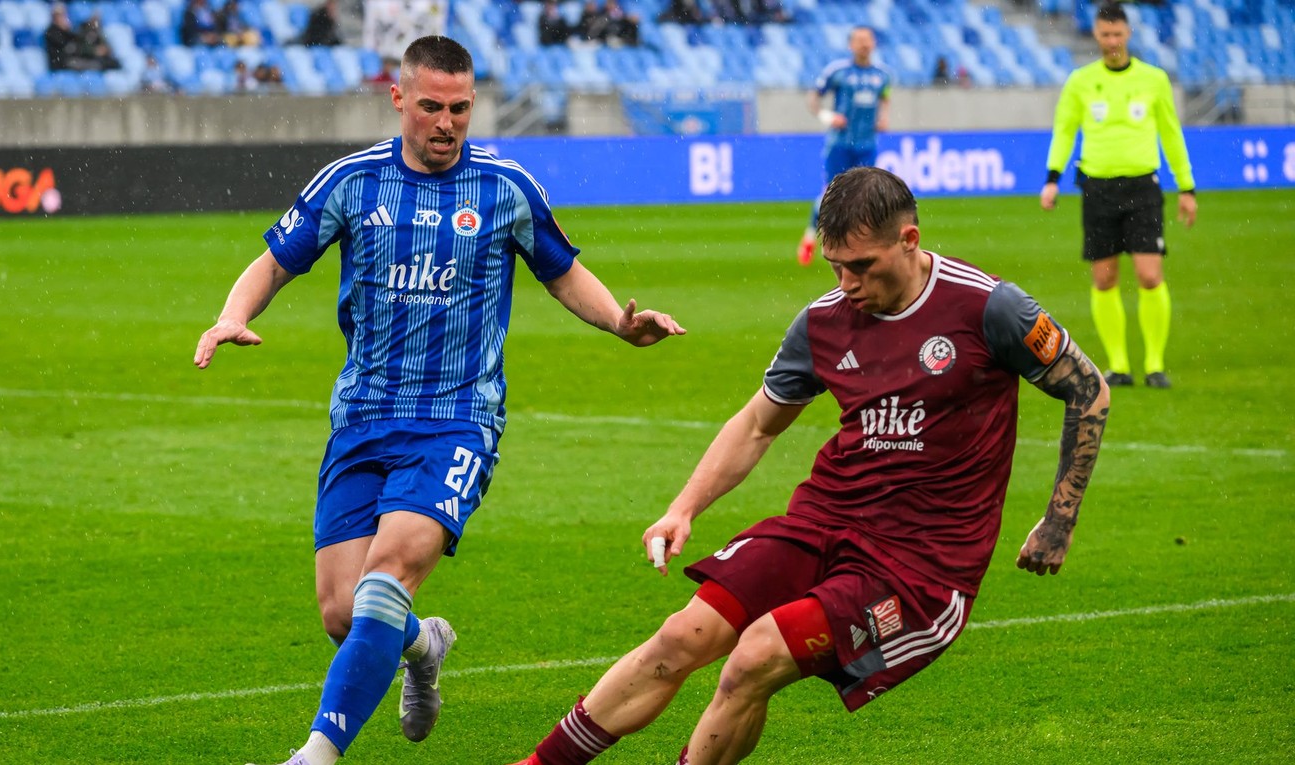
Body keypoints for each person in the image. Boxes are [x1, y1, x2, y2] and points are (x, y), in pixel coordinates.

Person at [507, 166, 1110, 765]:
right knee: (681, 635)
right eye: (835, 266)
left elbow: (1089, 390)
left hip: (921, 563)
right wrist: (682, 509)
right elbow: (757, 424)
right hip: (824, 521)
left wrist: (1059, 521)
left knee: (754, 658)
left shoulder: (989, 307)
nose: (847, 283)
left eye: (862, 266)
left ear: (909, 240)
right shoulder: (824, 321)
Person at [193, 35, 686, 765]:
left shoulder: (505, 187)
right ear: (399, 99)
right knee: (343, 613)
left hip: (457, 420)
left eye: (459, 108)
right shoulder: (352, 182)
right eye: (431, 106)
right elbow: (274, 262)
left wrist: (619, 321)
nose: (446, 122)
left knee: (385, 579)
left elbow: (561, 272)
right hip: (362, 417)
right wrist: (233, 315)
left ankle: (316, 753)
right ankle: (424, 645)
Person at [1040, 1, 1196, 390]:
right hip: (1098, 188)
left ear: (1128, 34)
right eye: (1105, 34)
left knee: (1149, 275)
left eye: (1117, 34)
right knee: (1104, 278)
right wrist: (1052, 178)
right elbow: (1064, 130)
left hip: (1143, 186)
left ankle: (1154, 365)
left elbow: (1171, 133)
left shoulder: (1154, 79)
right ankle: (1118, 365)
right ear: (1096, 35)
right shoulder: (1080, 81)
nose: (1112, 41)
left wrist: (1186, 186)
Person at [798, 26, 891, 266]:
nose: (864, 44)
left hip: (867, 145)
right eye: (859, 40)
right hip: (840, 144)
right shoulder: (838, 71)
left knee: (864, 196)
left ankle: (857, 243)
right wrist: (827, 117)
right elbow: (813, 97)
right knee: (832, 193)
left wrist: (883, 118)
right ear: (851, 45)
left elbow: (885, 97)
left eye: (867, 40)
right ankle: (811, 236)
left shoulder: (882, 74)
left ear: (874, 43)